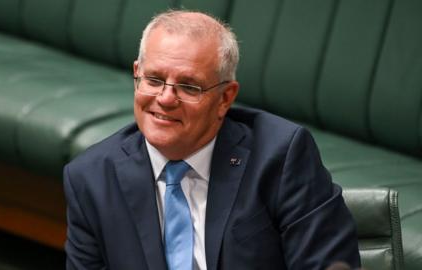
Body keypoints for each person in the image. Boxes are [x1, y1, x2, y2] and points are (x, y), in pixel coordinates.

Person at [63, 10, 361, 270]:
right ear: (137, 75)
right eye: (153, 80)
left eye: (189, 87)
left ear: (225, 98)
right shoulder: (91, 178)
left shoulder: (281, 156)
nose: (165, 99)